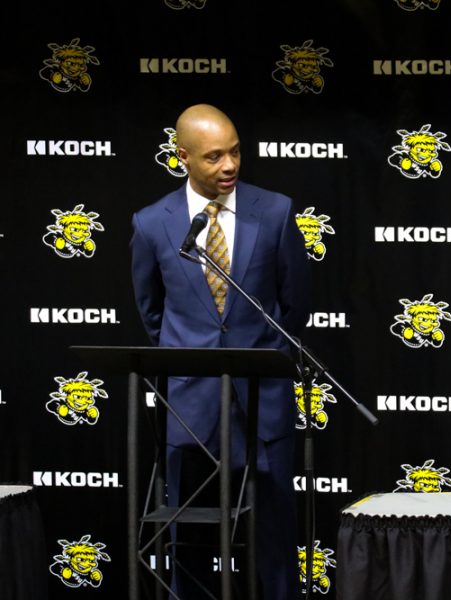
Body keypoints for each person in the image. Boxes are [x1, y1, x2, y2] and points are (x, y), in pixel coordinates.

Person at [131, 104, 311, 599]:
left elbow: (293, 303)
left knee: (275, 539)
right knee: (186, 541)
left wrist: (261, 356)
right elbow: (151, 313)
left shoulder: (275, 211)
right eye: (214, 157)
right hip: (189, 406)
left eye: (235, 151)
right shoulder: (151, 224)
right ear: (182, 157)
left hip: (264, 402)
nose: (229, 165)